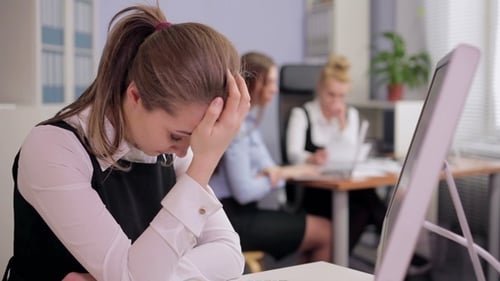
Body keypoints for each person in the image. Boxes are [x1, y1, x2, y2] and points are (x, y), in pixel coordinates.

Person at [3, 4, 250, 281]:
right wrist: (205, 163)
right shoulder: (54, 148)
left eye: (197, 140)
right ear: (135, 96)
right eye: (176, 136)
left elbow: (229, 255)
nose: (185, 151)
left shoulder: (174, 150)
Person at [209, 52, 332, 264]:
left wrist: (280, 172)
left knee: (320, 229)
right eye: (271, 83)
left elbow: (272, 169)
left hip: (243, 214)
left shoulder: (249, 125)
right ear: (256, 84)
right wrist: (279, 175)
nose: (276, 89)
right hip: (232, 220)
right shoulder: (237, 129)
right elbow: (245, 192)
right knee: (326, 231)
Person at [285, 55, 387, 252]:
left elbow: (353, 152)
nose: (336, 101)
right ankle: (399, 254)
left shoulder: (351, 115)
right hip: (316, 190)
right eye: (331, 94)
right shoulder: (302, 114)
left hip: (346, 188)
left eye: (342, 96)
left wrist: (343, 125)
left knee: (365, 204)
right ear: (319, 89)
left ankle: (336, 259)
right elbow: (292, 154)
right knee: (368, 203)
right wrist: (311, 158)